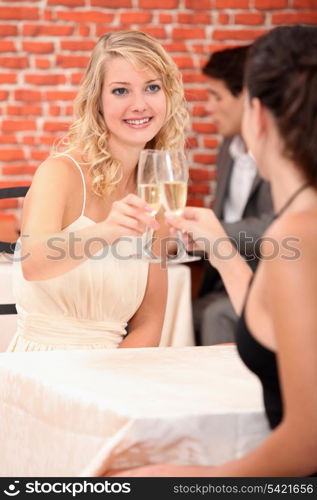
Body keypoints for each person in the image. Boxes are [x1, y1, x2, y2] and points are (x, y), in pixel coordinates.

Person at [111, 25, 317, 476]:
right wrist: (221, 249)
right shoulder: (298, 225)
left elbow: (307, 443)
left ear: (257, 117)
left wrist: (193, 479)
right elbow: (278, 334)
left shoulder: (301, 235)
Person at [7, 30, 188, 352]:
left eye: (152, 88)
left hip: (115, 370)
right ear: (98, 102)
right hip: (46, 366)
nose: (139, 104)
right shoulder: (60, 172)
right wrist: (106, 231)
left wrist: (111, 386)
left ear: (167, 95)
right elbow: (33, 264)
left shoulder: (156, 193)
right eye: (121, 91)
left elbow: (150, 321)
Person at [194, 45, 273, 346]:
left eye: (216, 96)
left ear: (246, 97)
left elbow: (276, 225)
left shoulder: (282, 151)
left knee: (216, 315)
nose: (208, 108)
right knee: (178, 314)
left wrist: (212, 233)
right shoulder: (228, 149)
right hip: (221, 277)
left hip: (269, 280)